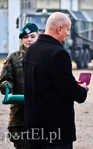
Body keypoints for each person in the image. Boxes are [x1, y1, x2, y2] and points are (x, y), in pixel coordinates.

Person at [23, 12, 89, 148]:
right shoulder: (58, 53)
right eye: (67, 29)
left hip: (34, 126)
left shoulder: (31, 50)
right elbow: (70, 91)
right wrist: (82, 90)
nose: (68, 34)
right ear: (59, 29)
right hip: (54, 130)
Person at [0, 23, 39, 148]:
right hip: (19, 117)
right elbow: (4, 79)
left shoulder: (45, 57)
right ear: (21, 39)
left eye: (33, 36)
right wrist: (6, 86)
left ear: (38, 37)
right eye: (26, 37)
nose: (29, 39)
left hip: (41, 115)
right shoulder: (13, 58)